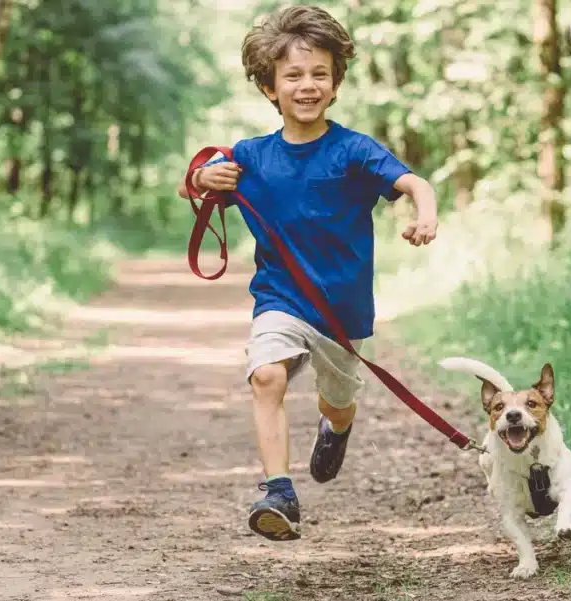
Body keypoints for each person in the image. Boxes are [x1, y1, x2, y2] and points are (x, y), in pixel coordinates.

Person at [176, 4, 438, 542]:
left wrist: (425, 214)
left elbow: (415, 183)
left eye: (320, 73)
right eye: (293, 75)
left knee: (336, 403)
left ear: (336, 82)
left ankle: (336, 428)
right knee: (266, 376)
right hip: (281, 299)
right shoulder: (250, 156)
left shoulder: (354, 150)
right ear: (269, 88)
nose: (307, 85)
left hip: (342, 312)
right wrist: (203, 178)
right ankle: (279, 493)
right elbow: (191, 185)